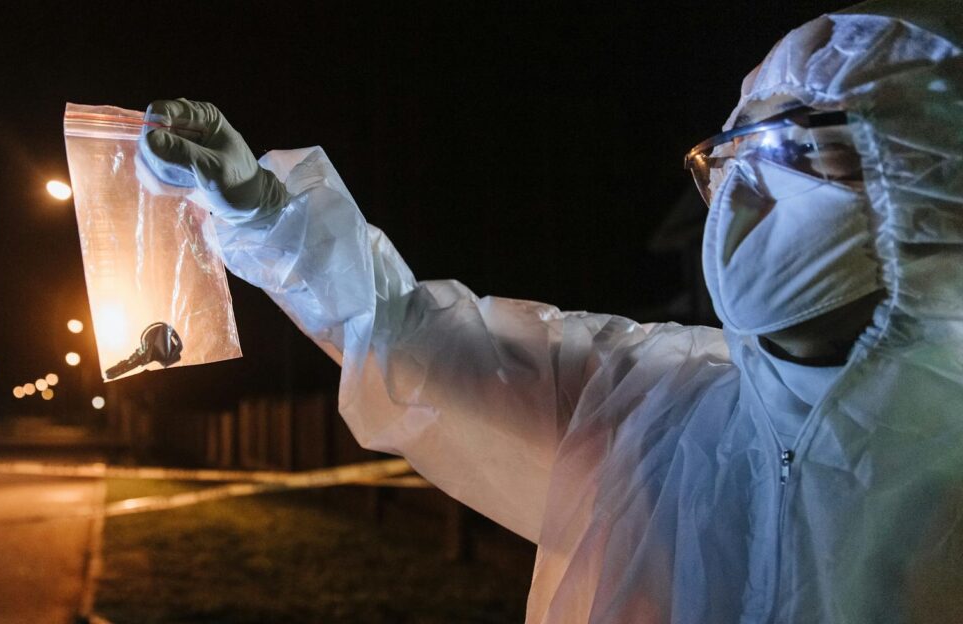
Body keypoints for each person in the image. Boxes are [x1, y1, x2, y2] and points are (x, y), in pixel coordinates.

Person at [135, 1, 963, 621]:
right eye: (730, 152)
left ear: (939, 192)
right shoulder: (650, 405)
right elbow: (410, 342)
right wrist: (264, 213)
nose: (744, 185)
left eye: (798, 147)